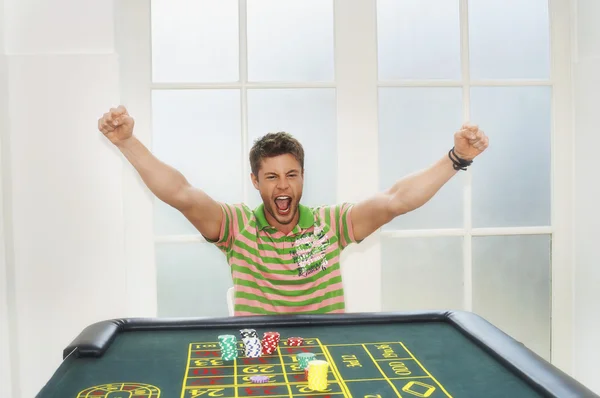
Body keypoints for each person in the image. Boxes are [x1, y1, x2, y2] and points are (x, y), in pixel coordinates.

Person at [98, 105, 489, 316]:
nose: (282, 186)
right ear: (255, 181)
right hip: (257, 357)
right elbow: (180, 193)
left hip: (326, 351)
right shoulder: (235, 226)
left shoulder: (329, 224)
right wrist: (128, 142)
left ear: (302, 178)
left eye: (291, 175)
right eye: (271, 177)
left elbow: (395, 201)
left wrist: (457, 158)